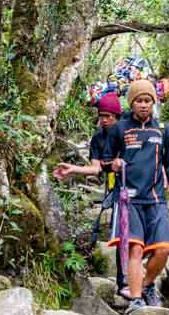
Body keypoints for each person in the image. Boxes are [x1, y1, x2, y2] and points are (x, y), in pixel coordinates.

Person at [107, 79, 169, 313]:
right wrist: (114, 164)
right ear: (131, 103)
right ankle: (137, 300)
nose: (143, 105)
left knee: (163, 249)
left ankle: (148, 284)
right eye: (139, 100)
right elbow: (106, 160)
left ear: (153, 102)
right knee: (135, 249)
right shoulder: (119, 128)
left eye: (148, 101)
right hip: (128, 199)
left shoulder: (163, 130)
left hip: (156, 199)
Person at [54, 93, 129, 298]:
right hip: (115, 187)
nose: (104, 119)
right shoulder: (97, 137)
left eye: (109, 116)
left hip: (131, 187)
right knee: (121, 233)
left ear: (117, 116)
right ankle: (123, 281)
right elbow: (95, 169)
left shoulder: (125, 132)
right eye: (101, 115)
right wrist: (73, 170)